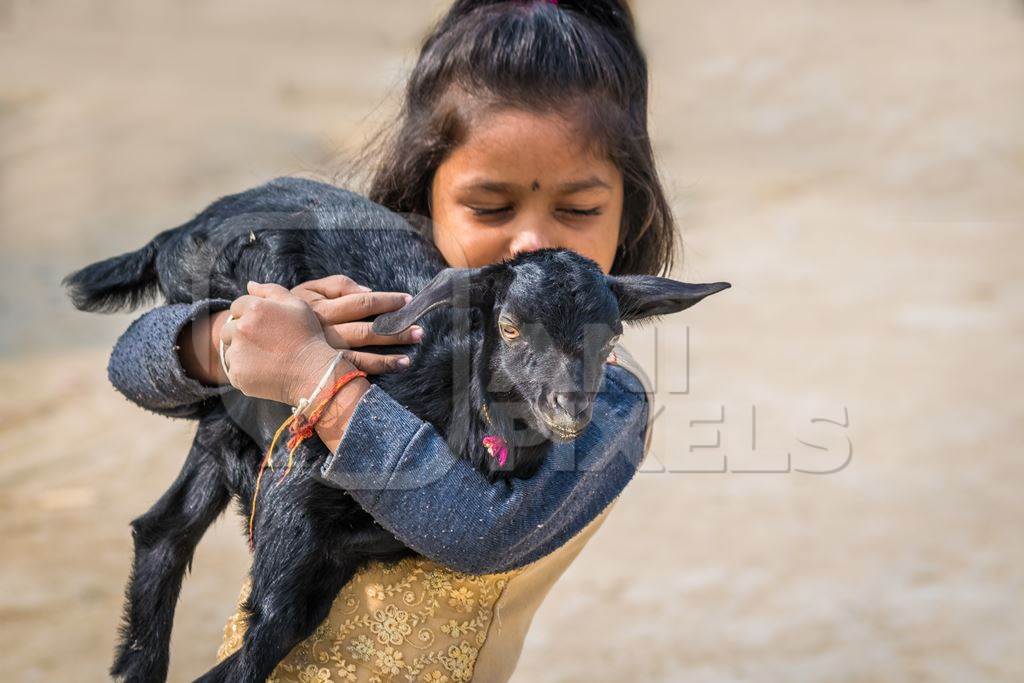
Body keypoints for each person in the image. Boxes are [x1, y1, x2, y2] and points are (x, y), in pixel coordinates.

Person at [107, 1, 679, 680]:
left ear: (629, 212)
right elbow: (130, 365)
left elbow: (477, 530)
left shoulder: (608, 398)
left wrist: (320, 382)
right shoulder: (384, 301)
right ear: (420, 198)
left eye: (579, 209)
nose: (533, 241)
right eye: (491, 207)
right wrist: (232, 339)